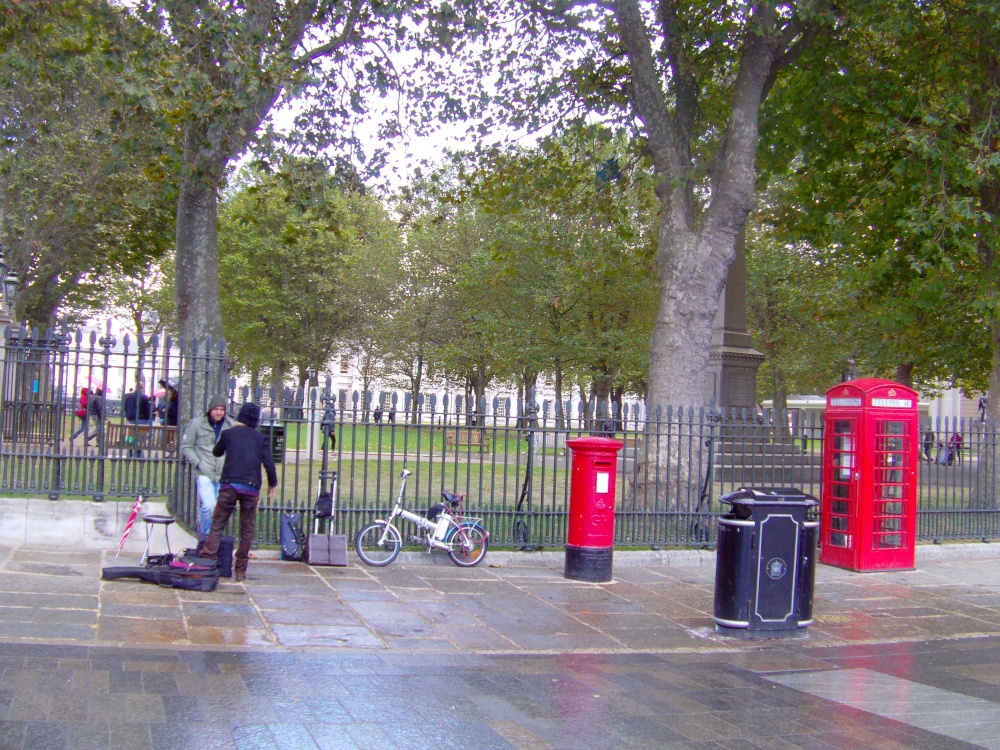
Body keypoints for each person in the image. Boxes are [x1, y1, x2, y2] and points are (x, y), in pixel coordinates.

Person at [201, 403, 277, 582]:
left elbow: (217, 452)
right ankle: (240, 570)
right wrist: (272, 483)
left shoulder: (229, 434)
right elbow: (269, 463)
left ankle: (208, 559)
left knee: (218, 523)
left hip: (229, 485)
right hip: (250, 487)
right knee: (247, 529)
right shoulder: (260, 438)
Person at [180, 394, 235, 535]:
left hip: (223, 474)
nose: (219, 413)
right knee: (209, 506)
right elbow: (186, 446)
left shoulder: (231, 425)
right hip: (204, 472)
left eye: (222, 409)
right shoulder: (196, 424)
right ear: (210, 410)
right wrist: (198, 463)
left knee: (219, 509)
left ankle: (212, 540)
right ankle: (205, 535)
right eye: (216, 409)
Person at [123, 379, 152, 457]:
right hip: (142, 419)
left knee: (131, 436)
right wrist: (148, 419)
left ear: (135, 387)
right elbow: (147, 410)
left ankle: (130, 451)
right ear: (142, 387)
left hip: (131, 419)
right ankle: (138, 453)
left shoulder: (128, 396)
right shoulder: (144, 397)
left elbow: (125, 407)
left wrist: (128, 416)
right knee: (140, 437)